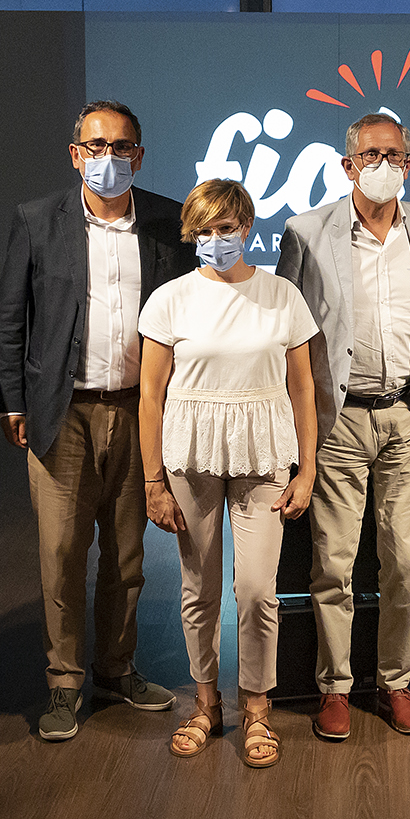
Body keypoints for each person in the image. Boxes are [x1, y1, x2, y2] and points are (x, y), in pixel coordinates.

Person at [0, 100, 191, 742]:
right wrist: (13, 400)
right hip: (63, 411)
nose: (109, 157)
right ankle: (64, 680)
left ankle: (116, 668)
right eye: (96, 146)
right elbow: (10, 315)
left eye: (122, 146)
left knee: (128, 556)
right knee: (61, 553)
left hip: (141, 410)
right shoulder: (37, 219)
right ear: (76, 154)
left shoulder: (169, 222)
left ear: (140, 154)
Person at [278, 113, 410, 740]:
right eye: (371, 155)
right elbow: (289, 332)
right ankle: (335, 687)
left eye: (395, 156)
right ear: (348, 164)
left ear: (409, 164)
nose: (384, 166)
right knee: (334, 562)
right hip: (338, 417)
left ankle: (396, 682)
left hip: (406, 415)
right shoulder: (305, 232)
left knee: (405, 563)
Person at [139, 179, 319, 769]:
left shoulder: (282, 295)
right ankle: (206, 703)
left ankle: (257, 708)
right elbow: (150, 394)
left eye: (227, 228)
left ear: (246, 227)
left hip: (264, 454)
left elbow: (303, 388)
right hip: (191, 455)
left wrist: (307, 469)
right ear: (192, 234)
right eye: (205, 230)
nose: (216, 239)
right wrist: (152, 481)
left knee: (258, 589)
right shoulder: (170, 299)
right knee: (199, 587)